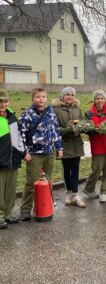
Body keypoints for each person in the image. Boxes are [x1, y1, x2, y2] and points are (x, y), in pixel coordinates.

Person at [19, 88, 63, 221]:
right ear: (33, 99)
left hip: (49, 152)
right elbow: (20, 135)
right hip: (34, 154)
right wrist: (24, 152)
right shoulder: (27, 114)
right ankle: (25, 210)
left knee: (47, 181)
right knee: (32, 182)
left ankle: (43, 206)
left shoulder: (51, 113)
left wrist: (59, 147)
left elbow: (56, 130)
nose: (41, 99)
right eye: (38, 97)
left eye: (43, 96)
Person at [53, 87, 86, 208]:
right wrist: (69, 130)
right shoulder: (55, 110)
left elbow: (82, 123)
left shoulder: (77, 108)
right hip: (64, 144)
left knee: (76, 168)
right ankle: (69, 194)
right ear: (62, 96)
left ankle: (76, 195)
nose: (70, 97)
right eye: (67, 94)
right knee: (67, 169)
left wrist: (81, 129)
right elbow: (55, 128)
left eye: (72, 95)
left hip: (76, 143)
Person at [83, 90, 106, 203]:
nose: (100, 100)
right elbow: (87, 130)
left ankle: (104, 192)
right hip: (97, 145)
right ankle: (89, 188)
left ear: (105, 99)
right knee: (96, 169)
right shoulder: (88, 114)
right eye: (97, 98)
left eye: (102, 98)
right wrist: (95, 130)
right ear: (94, 100)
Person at [0, 90, 25, 229]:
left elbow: (17, 138)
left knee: (10, 189)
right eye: (0, 101)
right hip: (0, 161)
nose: (2, 104)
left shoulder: (11, 116)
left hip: (12, 160)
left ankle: (8, 213)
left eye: (5, 101)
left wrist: (23, 153)